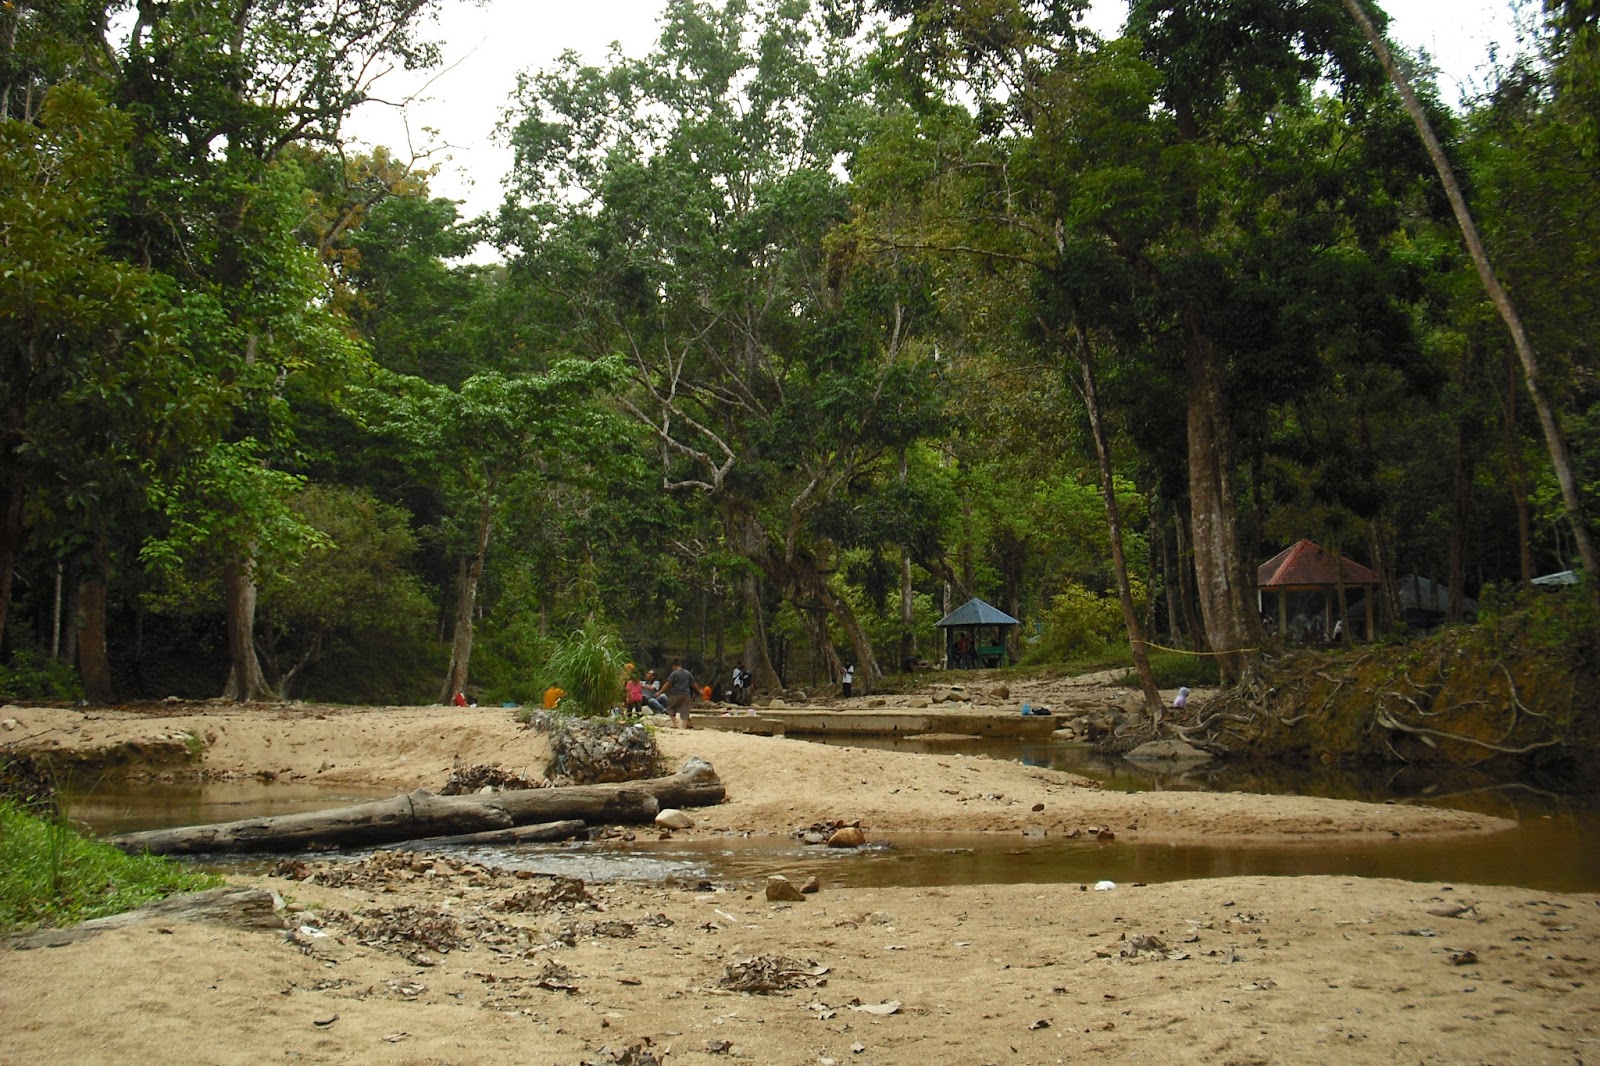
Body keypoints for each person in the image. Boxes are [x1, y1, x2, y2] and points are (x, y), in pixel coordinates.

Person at [660, 661, 696, 729]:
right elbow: (693, 683)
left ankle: (675, 724)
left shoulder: (674, 673)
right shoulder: (688, 673)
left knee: (671, 708)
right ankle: (684, 726)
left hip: (675, 693)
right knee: (685, 710)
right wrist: (699, 690)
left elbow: (668, 683)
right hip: (686, 694)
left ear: (674, 666)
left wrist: (660, 692)